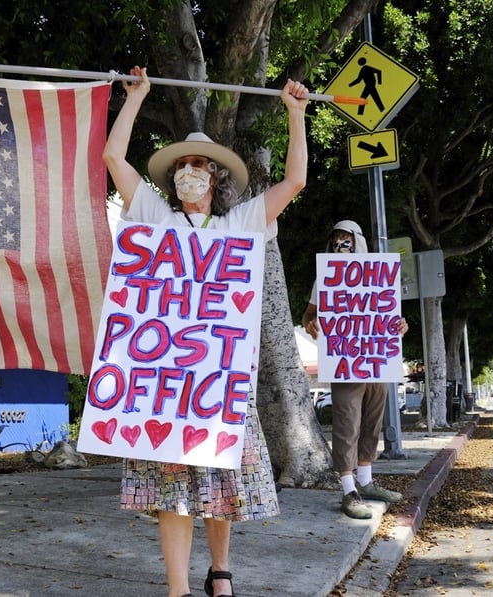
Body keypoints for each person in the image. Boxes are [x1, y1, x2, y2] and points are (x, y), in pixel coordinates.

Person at [102, 65, 309, 597]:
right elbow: (112, 159)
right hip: (168, 386)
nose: (190, 171)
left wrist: (296, 115)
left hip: (221, 384)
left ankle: (220, 571)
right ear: (172, 178)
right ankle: (178, 590)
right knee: (173, 488)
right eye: (183, 165)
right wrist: (135, 98)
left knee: (222, 485)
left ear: (215, 179)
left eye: (200, 165)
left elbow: (294, 183)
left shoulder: (238, 225)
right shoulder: (153, 217)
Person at [301, 220, 406, 519]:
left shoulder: (379, 276)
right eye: (336, 239)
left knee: (372, 423)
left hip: (376, 361)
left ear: (358, 241)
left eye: (346, 239)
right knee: (347, 423)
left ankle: (366, 481)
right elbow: (310, 313)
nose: (340, 245)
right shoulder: (326, 278)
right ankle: (349, 489)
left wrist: (401, 325)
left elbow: (392, 316)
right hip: (345, 361)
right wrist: (312, 323)